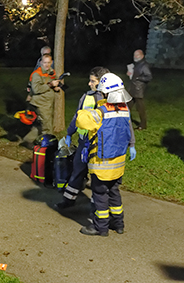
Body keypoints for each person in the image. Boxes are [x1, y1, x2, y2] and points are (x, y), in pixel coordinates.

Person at [76, 73, 136, 236]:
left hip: (102, 164)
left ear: (104, 93)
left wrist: (84, 111)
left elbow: (82, 121)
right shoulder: (125, 110)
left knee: (100, 195)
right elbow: (128, 130)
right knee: (114, 193)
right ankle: (118, 224)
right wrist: (132, 145)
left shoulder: (101, 112)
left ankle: (100, 227)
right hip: (118, 164)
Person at [55, 66, 111, 209]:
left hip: (100, 144)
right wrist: (69, 133)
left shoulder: (111, 101)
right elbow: (77, 116)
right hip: (84, 141)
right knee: (77, 169)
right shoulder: (86, 97)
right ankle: (68, 199)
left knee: (98, 177)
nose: (89, 84)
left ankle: (99, 207)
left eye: (92, 81)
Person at [20, 54, 60, 149]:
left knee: (40, 124)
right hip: (40, 104)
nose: (46, 64)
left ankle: (28, 140)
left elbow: (53, 83)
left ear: (51, 62)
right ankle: (48, 146)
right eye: (44, 62)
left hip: (47, 103)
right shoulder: (36, 74)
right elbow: (36, 89)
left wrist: (56, 87)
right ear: (41, 62)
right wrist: (50, 85)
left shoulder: (51, 72)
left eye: (48, 62)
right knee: (47, 126)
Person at [126, 49, 152, 130]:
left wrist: (138, 78)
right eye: (134, 55)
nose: (135, 57)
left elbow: (149, 77)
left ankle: (143, 125)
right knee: (127, 106)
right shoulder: (136, 64)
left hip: (138, 90)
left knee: (140, 108)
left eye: (137, 55)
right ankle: (126, 122)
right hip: (133, 89)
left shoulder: (144, 65)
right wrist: (130, 74)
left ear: (142, 56)